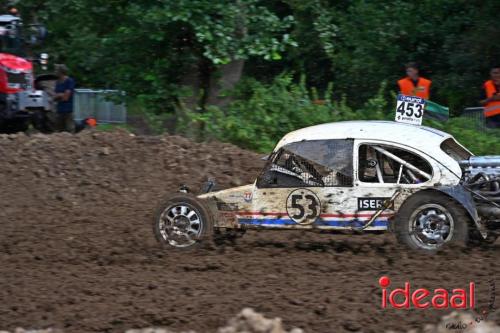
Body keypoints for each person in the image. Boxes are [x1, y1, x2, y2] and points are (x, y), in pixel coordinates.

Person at [54, 64, 76, 132]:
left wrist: (59, 95)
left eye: (56, 70)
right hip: (59, 111)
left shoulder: (69, 81)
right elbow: (54, 97)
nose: (55, 72)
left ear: (60, 72)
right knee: (58, 132)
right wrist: (61, 95)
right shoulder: (57, 82)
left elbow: (66, 97)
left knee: (70, 131)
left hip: (68, 111)